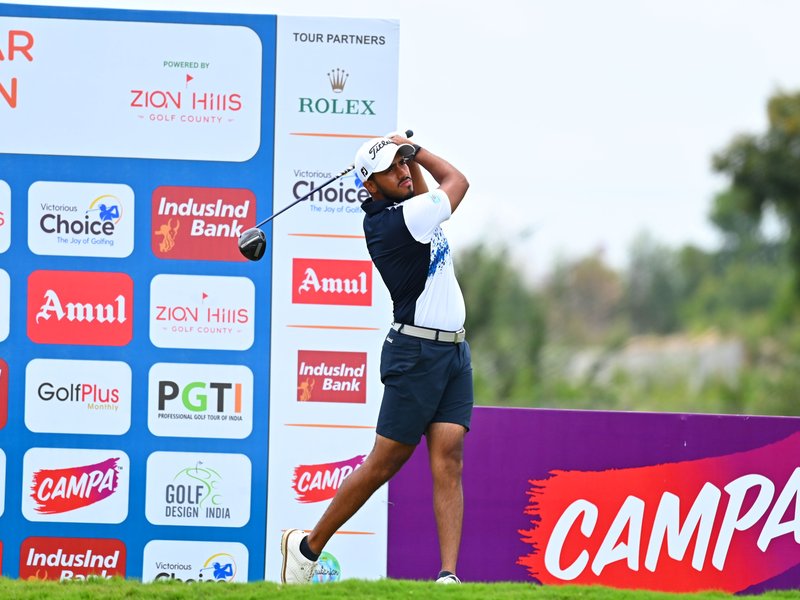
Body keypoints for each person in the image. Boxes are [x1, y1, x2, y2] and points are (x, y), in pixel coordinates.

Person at [281, 133, 472, 585]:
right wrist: (417, 149)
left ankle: (448, 576)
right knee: (384, 462)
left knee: (449, 458)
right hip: (416, 354)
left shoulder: (409, 209)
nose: (403, 172)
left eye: (403, 164)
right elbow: (457, 182)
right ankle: (306, 549)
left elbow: (423, 191)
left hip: (453, 352)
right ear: (370, 185)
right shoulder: (398, 221)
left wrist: (406, 156)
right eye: (392, 168)